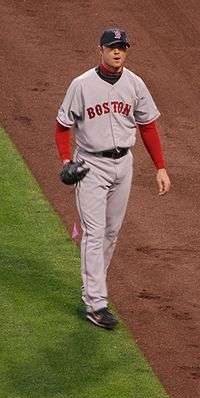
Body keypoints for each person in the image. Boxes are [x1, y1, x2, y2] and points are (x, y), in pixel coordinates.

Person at [55, 28, 171, 330]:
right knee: (95, 234)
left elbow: (147, 126)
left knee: (110, 233)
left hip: (124, 165)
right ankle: (96, 303)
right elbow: (62, 126)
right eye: (112, 47)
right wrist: (66, 161)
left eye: (122, 47)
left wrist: (160, 167)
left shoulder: (135, 84)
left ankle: (93, 286)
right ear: (101, 50)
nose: (117, 52)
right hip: (91, 165)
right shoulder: (81, 85)